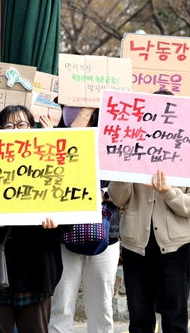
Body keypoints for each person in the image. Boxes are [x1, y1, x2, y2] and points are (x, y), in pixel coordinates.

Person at [0, 105, 66, 333]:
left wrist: (56, 223)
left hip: (38, 270)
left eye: (21, 124)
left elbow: (70, 212)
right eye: (8, 125)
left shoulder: (50, 163)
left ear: (31, 127)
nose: (15, 129)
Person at [108, 90, 190, 333]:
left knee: (174, 320)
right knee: (139, 320)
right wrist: (125, 168)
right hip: (135, 247)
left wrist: (168, 192)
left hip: (175, 248)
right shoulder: (131, 144)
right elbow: (117, 198)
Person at [48, 108, 121, 333]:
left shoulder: (118, 131)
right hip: (64, 232)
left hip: (106, 234)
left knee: (102, 309)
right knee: (61, 307)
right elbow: (64, 149)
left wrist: (104, 193)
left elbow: (126, 181)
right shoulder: (60, 128)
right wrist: (85, 110)